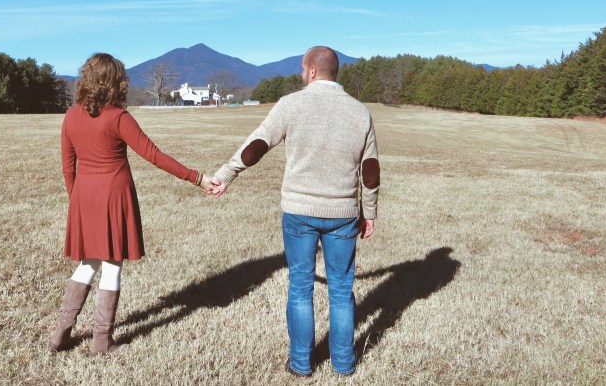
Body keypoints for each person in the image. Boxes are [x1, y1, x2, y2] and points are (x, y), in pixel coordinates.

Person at [210, 46, 380, 377]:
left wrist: (227, 174)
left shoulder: (291, 104)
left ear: (313, 71)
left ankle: (301, 363)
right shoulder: (360, 112)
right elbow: (370, 169)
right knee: (341, 290)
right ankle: (344, 363)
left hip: (299, 212)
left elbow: (258, 145)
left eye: (303, 69)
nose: (302, 74)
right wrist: (369, 211)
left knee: (301, 287)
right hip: (343, 213)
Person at [49, 53, 218, 355]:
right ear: (114, 83)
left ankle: (60, 333)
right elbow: (154, 155)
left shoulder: (70, 115)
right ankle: (101, 341)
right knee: (111, 266)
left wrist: (77, 200)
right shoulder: (118, 117)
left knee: (88, 262)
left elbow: (67, 166)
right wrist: (197, 178)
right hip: (114, 195)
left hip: (83, 197)